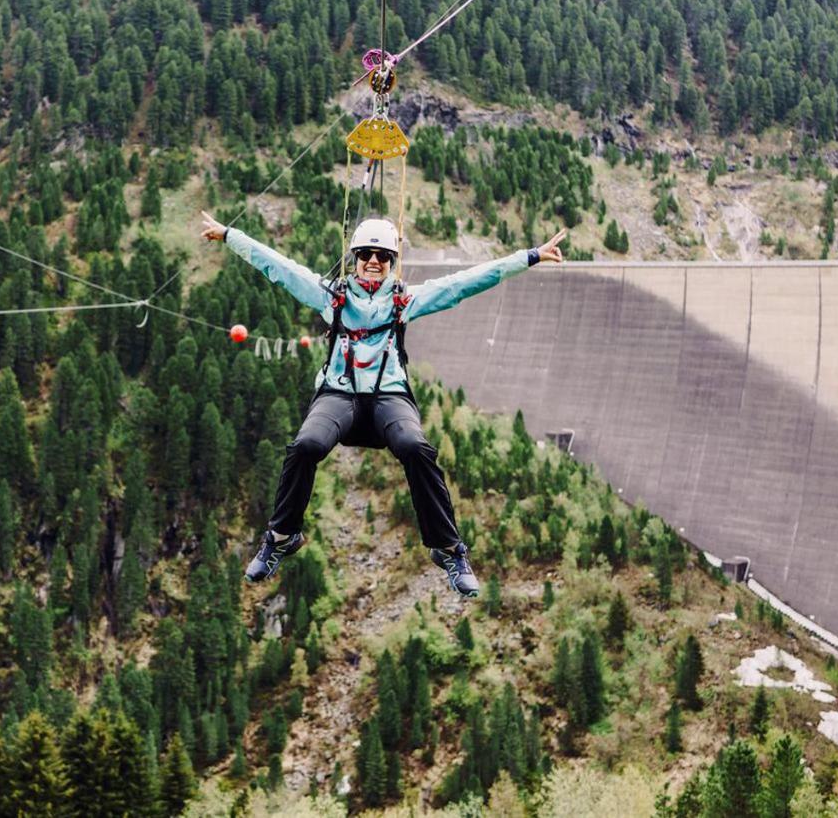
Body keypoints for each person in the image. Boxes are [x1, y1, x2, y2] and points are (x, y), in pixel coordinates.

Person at [200, 211, 566, 597]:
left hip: (389, 396)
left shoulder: (404, 301)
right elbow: (278, 266)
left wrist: (530, 256)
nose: (374, 262)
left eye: (383, 256)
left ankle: (449, 550)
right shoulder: (332, 297)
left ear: (392, 262)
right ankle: (280, 537)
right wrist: (229, 236)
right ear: (355, 259)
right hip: (339, 393)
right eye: (366, 255)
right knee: (306, 445)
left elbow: (467, 282)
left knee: (416, 448)